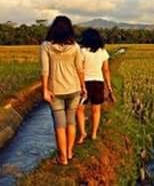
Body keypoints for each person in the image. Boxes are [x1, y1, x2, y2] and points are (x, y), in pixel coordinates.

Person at [40, 16, 86, 165]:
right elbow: (80, 68)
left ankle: (63, 158)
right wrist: (83, 86)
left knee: (60, 126)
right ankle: (70, 152)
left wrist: (45, 90)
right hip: (74, 89)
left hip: (55, 91)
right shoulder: (75, 47)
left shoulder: (46, 46)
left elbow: (45, 70)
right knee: (71, 122)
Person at [77, 28, 116, 144]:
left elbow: (80, 69)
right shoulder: (103, 52)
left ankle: (83, 133)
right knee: (96, 110)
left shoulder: (82, 51)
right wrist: (109, 88)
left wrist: (80, 84)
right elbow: (106, 70)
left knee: (79, 109)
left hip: (85, 83)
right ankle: (93, 134)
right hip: (98, 82)